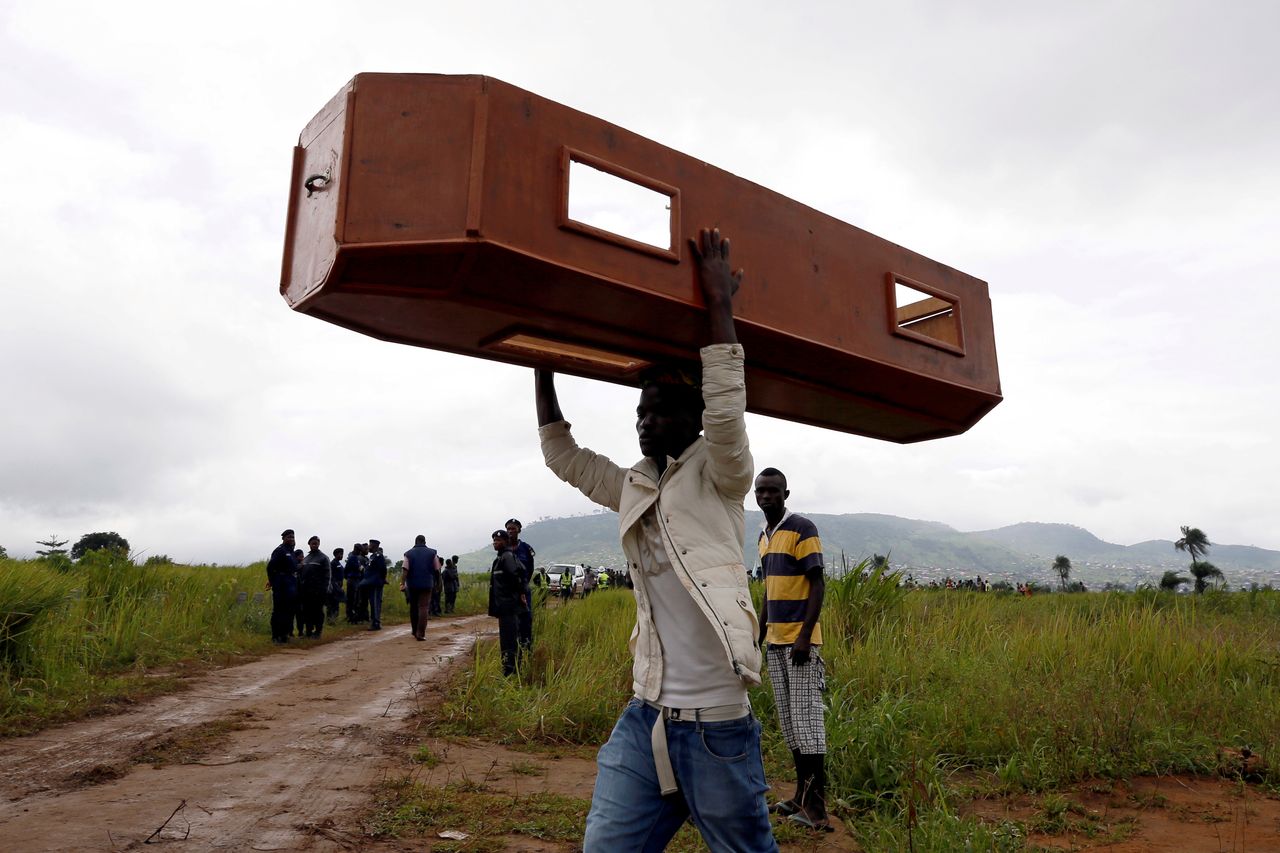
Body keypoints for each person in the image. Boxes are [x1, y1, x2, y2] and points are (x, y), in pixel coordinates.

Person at [536, 228, 775, 852]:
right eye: (640, 412)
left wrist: (719, 303)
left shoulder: (723, 475)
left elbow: (726, 409)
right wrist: (542, 358)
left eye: (662, 409)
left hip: (717, 729)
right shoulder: (637, 487)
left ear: (692, 418)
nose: (646, 422)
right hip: (646, 719)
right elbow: (564, 456)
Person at [755, 467, 831, 831]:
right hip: (775, 642)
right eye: (761, 491)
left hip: (799, 645)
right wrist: (757, 634)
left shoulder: (803, 529)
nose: (766, 496)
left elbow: (817, 585)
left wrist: (804, 636)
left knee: (808, 722)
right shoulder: (764, 537)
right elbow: (770, 592)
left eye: (773, 491)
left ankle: (817, 809)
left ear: (786, 495)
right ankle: (801, 797)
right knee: (789, 724)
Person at [488, 530, 527, 676]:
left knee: (510, 641)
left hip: (509, 606)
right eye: (494, 540)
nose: (495, 543)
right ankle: (509, 669)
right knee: (507, 640)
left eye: (498, 540)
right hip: (503, 607)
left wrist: (521, 593)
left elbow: (516, 576)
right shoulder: (500, 559)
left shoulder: (507, 557)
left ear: (505, 542)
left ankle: (511, 671)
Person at [401, 534, 440, 641]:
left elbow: (405, 569)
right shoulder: (432, 553)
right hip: (427, 584)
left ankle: (414, 630)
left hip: (412, 584)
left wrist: (402, 583)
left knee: (413, 607)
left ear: (415, 542)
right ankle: (420, 633)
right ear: (424, 542)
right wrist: (438, 584)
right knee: (423, 607)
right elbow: (437, 570)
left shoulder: (408, 554)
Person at [505, 519, 535, 653]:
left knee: (525, 618)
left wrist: (522, 585)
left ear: (519, 530)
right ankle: (511, 648)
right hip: (507, 591)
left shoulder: (526, 548)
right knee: (509, 620)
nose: (511, 531)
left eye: (513, 528)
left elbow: (530, 568)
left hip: (523, 590)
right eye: (508, 529)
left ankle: (526, 646)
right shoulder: (503, 548)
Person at [265, 529, 298, 644]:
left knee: (289, 610)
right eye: (289, 537)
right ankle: (276, 636)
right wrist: (272, 581)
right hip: (280, 584)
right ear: (283, 538)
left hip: (291, 584)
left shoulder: (291, 551)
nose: (291, 539)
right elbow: (270, 568)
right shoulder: (279, 551)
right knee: (279, 610)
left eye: (293, 537)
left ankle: (285, 635)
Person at [299, 535, 331, 638]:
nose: (314, 545)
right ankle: (308, 631)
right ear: (309, 544)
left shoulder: (323, 558)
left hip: (318, 590)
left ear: (319, 544)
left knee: (318, 611)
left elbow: (328, 575)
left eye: (316, 543)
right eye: (313, 543)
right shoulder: (306, 558)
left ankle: (318, 632)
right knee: (307, 611)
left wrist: (325, 589)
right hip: (306, 590)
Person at [359, 539, 388, 630]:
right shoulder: (372, 556)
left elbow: (383, 569)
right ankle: (375, 621)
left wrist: (382, 579)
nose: (368, 547)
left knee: (375, 602)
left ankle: (376, 623)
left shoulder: (378, 556)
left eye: (370, 545)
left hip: (375, 582)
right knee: (373, 602)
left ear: (374, 546)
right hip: (370, 582)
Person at [344, 544, 366, 623]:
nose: (360, 553)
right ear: (356, 550)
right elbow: (358, 568)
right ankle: (351, 617)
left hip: (355, 580)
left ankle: (353, 617)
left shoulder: (356, 558)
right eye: (359, 551)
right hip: (353, 580)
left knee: (355, 599)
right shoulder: (352, 558)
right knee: (352, 599)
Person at [327, 547, 346, 624]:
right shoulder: (333, 563)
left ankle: (334, 619)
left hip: (339, 586)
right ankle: (330, 620)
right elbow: (331, 576)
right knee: (332, 604)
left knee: (336, 604)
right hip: (334, 587)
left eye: (342, 554)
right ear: (336, 554)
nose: (341, 556)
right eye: (340, 554)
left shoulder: (339, 564)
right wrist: (335, 585)